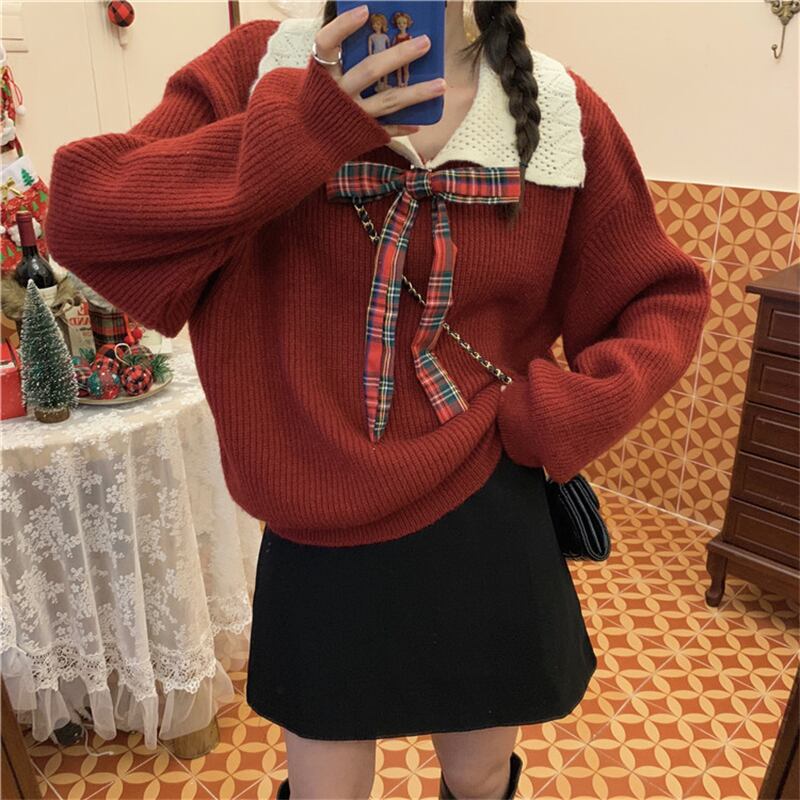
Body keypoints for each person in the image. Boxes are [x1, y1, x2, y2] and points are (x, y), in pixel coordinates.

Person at [45, 1, 711, 798]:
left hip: (488, 505)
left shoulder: (556, 108)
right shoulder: (261, 67)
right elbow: (84, 215)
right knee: (326, 786)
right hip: (316, 513)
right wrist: (307, 127)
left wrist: (572, 410)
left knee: (481, 777)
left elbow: (658, 297)